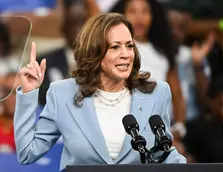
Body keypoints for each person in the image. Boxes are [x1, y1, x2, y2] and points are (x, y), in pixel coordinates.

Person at [14, 13, 186, 171]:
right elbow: (27, 152)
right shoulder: (63, 94)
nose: (126, 54)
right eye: (115, 47)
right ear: (94, 52)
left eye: (129, 45)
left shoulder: (156, 93)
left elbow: (161, 152)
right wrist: (29, 93)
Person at [110, 0, 186, 139]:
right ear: (121, 16)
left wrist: (179, 128)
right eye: (133, 12)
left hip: (160, 131)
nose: (139, 18)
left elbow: (177, 97)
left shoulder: (163, 54)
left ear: (153, 16)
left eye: (145, 12)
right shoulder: (113, 49)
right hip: (126, 129)